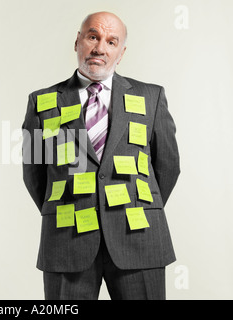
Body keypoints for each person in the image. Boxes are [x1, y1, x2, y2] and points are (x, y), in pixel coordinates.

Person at [22, 11, 180, 300]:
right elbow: (33, 173)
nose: (99, 48)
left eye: (111, 41)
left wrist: (135, 207)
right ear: (78, 42)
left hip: (139, 240)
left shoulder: (151, 97)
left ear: (121, 53)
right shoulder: (41, 101)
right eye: (93, 36)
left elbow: (168, 166)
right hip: (67, 241)